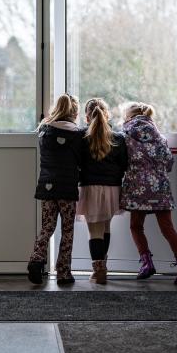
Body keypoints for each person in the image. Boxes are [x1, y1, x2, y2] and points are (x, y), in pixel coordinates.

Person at [120, 102, 177, 285]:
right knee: (167, 228)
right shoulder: (159, 136)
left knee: (136, 226)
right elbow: (168, 162)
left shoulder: (125, 134)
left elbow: (121, 161)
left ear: (128, 117)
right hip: (159, 187)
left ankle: (147, 264)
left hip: (137, 189)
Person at [27, 94, 83, 285]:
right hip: (67, 188)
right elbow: (81, 160)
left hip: (47, 187)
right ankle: (64, 273)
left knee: (47, 227)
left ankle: (36, 260)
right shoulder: (77, 134)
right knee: (67, 230)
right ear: (74, 112)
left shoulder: (44, 130)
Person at [77, 98, 127, 284]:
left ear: (87, 117)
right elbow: (124, 165)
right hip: (113, 189)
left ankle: (99, 272)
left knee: (95, 231)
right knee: (105, 227)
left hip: (91, 188)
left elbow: (76, 162)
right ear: (107, 115)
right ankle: (103, 267)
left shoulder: (81, 138)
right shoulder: (118, 138)